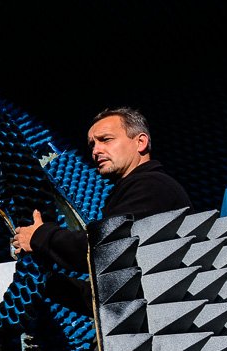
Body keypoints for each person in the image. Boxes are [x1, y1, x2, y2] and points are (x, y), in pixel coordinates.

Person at [11, 106, 192, 314]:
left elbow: (103, 250)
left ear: (140, 142)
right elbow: (113, 302)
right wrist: (49, 282)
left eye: (106, 140)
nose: (96, 151)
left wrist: (39, 236)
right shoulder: (133, 191)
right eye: (92, 145)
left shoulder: (153, 186)